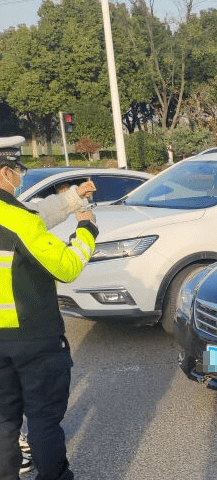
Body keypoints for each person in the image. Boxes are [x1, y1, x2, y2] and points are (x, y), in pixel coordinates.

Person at [0, 138, 98, 480]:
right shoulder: (18, 221)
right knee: (42, 420)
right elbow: (67, 266)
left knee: (3, 422)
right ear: (4, 172)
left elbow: (34, 216)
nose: (20, 179)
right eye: (18, 172)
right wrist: (86, 229)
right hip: (33, 338)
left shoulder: (20, 218)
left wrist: (71, 198)